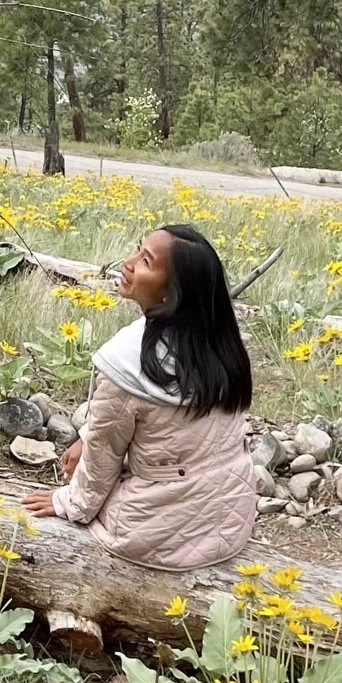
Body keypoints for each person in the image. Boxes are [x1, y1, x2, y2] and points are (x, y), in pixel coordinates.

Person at [20, 222, 257, 571]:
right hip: (230, 519)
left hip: (156, 533)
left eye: (145, 261)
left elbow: (102, 460)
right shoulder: (217, 347)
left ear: (171, 294)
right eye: (137, 249)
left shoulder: (129, 367)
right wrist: (86, 436)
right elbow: (171, 429)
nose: (127, 262)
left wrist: (69, 503)